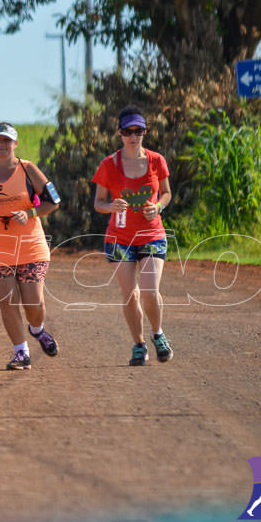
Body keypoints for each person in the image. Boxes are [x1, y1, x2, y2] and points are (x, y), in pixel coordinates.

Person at [0, 122, 60, 370]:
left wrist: (30, 213)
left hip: (31, 246)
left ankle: (37, 329)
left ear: (15, 144)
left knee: (34, 304)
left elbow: (53, 201)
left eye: (6, 141)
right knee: (7, 300)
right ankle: (21, 352)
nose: (2, 145)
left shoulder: (28, 169)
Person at [92, 105, 174, 366]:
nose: (133, 136)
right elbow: (98, 202)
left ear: (145, 132)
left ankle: (158, 334)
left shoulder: (156, 160)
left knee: (150, 290)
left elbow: (166, 193)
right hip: (119, 237)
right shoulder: (109, 165)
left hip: (151, 233)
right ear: (119, 133)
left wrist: (158, 207)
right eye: (128, 131)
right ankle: (139, 345)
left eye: (138, 131)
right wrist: (111, 207)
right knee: (130, 295)